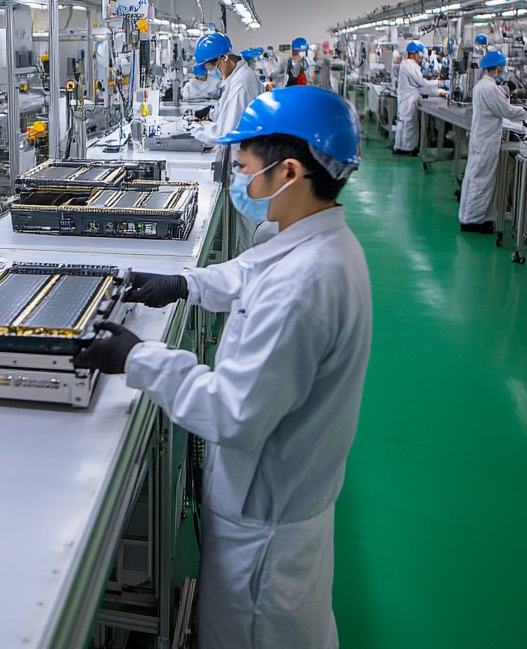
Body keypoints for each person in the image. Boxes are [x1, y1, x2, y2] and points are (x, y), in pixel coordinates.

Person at [76, 86, 371, 649]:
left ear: (288, 172)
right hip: (280, 503)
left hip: (263, 532)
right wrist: (181, 283)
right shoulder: (316, 241)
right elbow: (245, 274)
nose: (239, 180)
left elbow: (232, 412)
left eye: (243, 168)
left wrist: (136, 357)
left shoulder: (303, 286)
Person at [191, 32, 268, 253]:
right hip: (247, 163)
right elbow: (227, 113)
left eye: (213, 64)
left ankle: (246, 280)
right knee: (243, 230)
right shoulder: (238, 79)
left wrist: (193, 129)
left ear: (225, 58)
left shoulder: (242, 84)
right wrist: (209, 115)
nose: (212, 70)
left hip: (248, 168)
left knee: (245, 234)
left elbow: (224, 132)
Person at [459, 50, 527, 233]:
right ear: (498, 69)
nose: (503, 72)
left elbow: (496, 106)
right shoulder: (489, 88)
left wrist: (506, 92)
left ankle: (479, 218)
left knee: (477, 178)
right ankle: (472, 221)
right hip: (486, 140)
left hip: (481, 138)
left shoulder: (482, 86)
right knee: (481, 180)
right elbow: (507, 111)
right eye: (502, 69)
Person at [393, 40, 441, 155]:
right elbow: (422, 83)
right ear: (414, 53)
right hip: (408, 100)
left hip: (408, 98)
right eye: (420, 54)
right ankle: (406, 149)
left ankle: (402, 147)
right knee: (408, 124)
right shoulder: (409, 65)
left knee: (405, 123)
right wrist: (439, 83)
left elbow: (419, 85)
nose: (421, 57)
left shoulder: (409, 65)